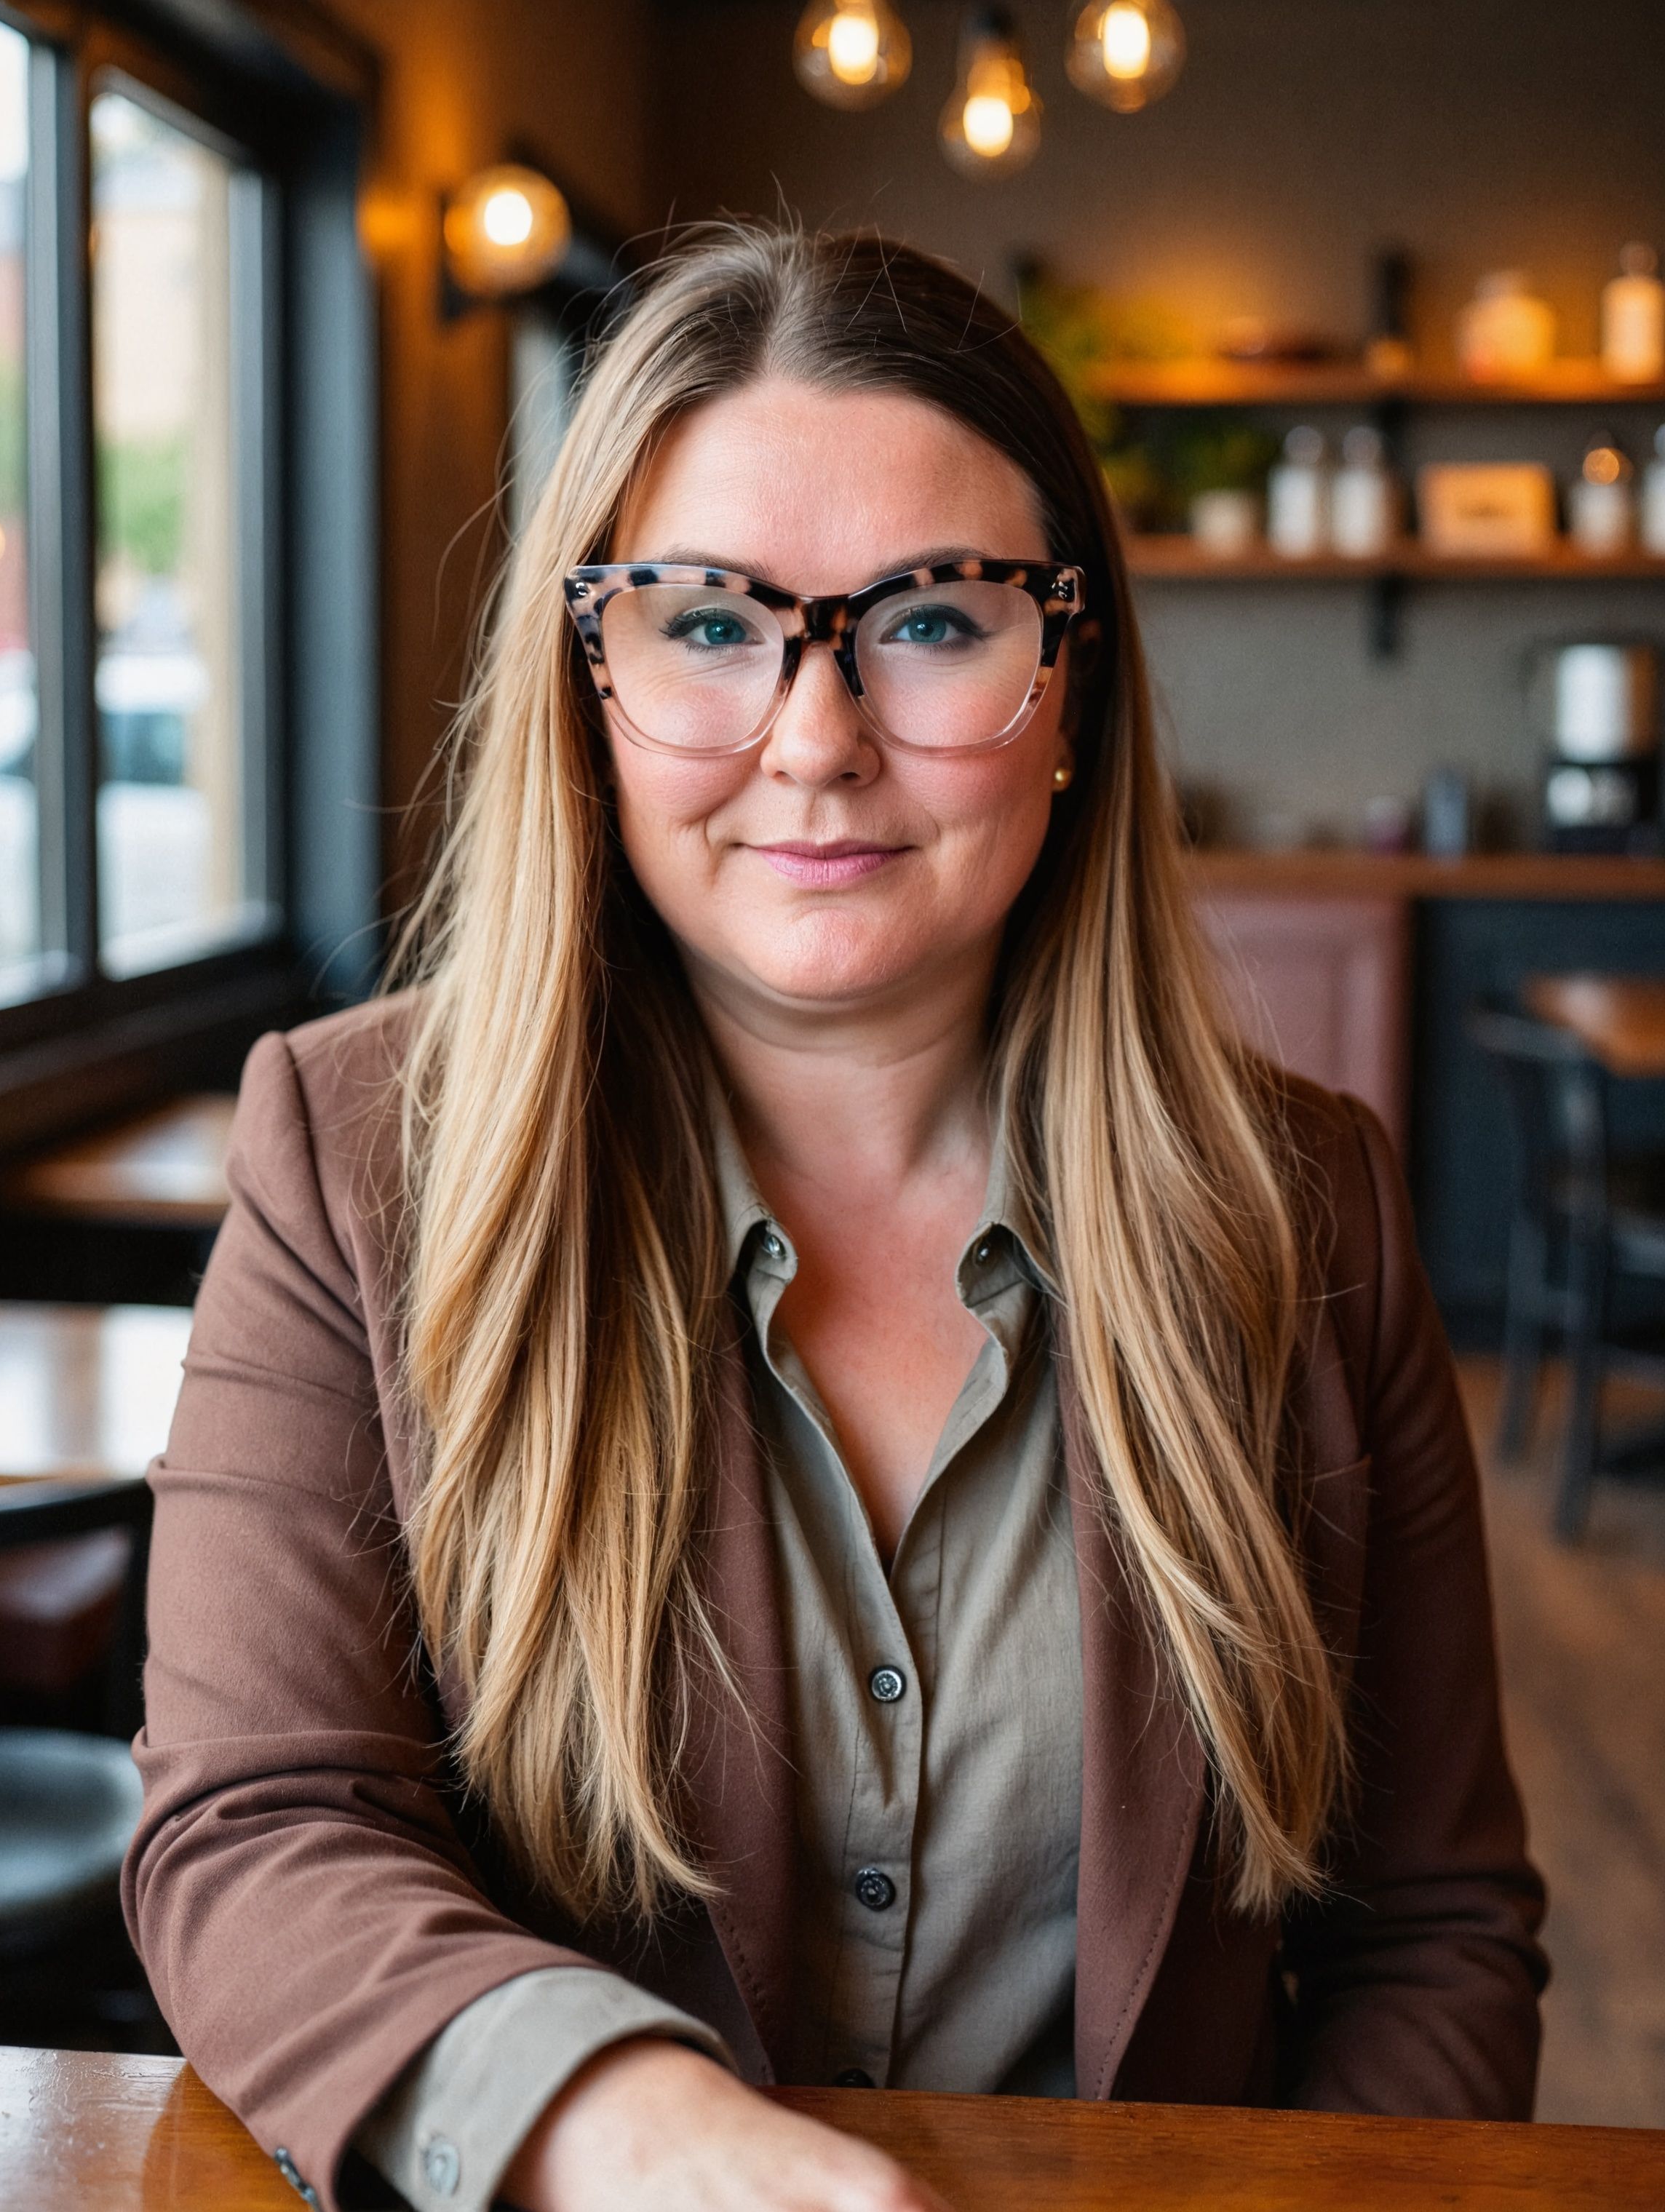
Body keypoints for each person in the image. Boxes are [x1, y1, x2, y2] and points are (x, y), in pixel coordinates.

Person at [123, 226, 1546, 2212]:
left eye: (935, 619)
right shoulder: (351, 1156)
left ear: (1072, 678)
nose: (814, 737)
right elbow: (257, 1827)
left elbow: (1434, 1937)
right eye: (710, 622)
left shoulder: (1313, 1211)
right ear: (588, 675)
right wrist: (631, 2135)